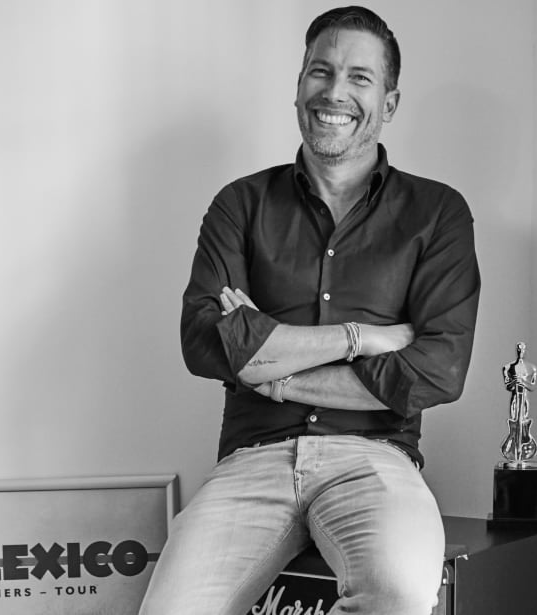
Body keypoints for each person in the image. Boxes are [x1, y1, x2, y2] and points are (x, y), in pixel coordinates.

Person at [140, 6, 480, 615]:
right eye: (320, 71)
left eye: (359, 77)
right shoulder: (240, 205)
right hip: (251, 463)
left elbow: (436, 370)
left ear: (389, 103)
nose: (334, 92)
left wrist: (270, 367)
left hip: (376, 459)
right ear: (299, 87)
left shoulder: (437, 213)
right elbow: (204, 343)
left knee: (401, 595)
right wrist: (362, 338)